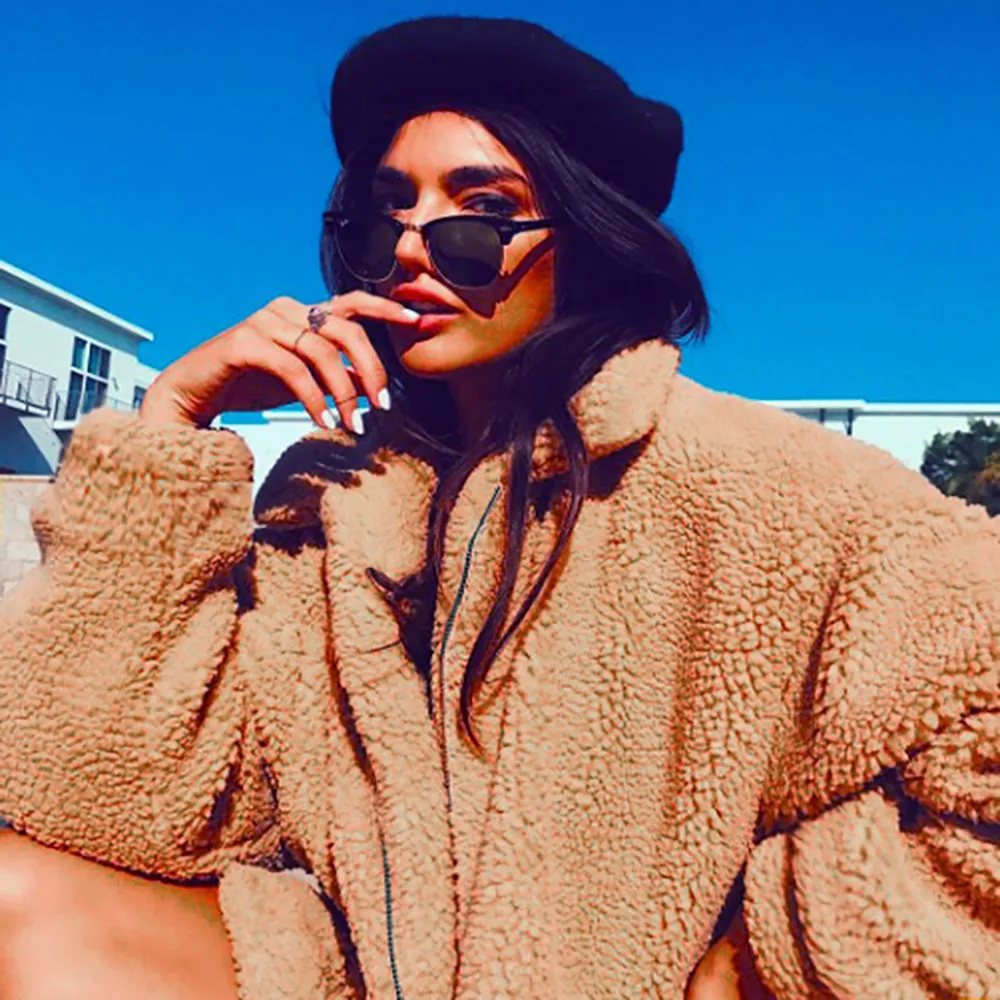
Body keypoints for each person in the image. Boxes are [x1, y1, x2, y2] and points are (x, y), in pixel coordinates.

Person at [0, 15, 997, 1000]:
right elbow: (103, 797)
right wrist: (172, 421)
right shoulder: (330, 509)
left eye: (479, 213)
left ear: (589, 238)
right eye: (384, 213)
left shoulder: (762, 484)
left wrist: (763, 961)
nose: (412, 248)